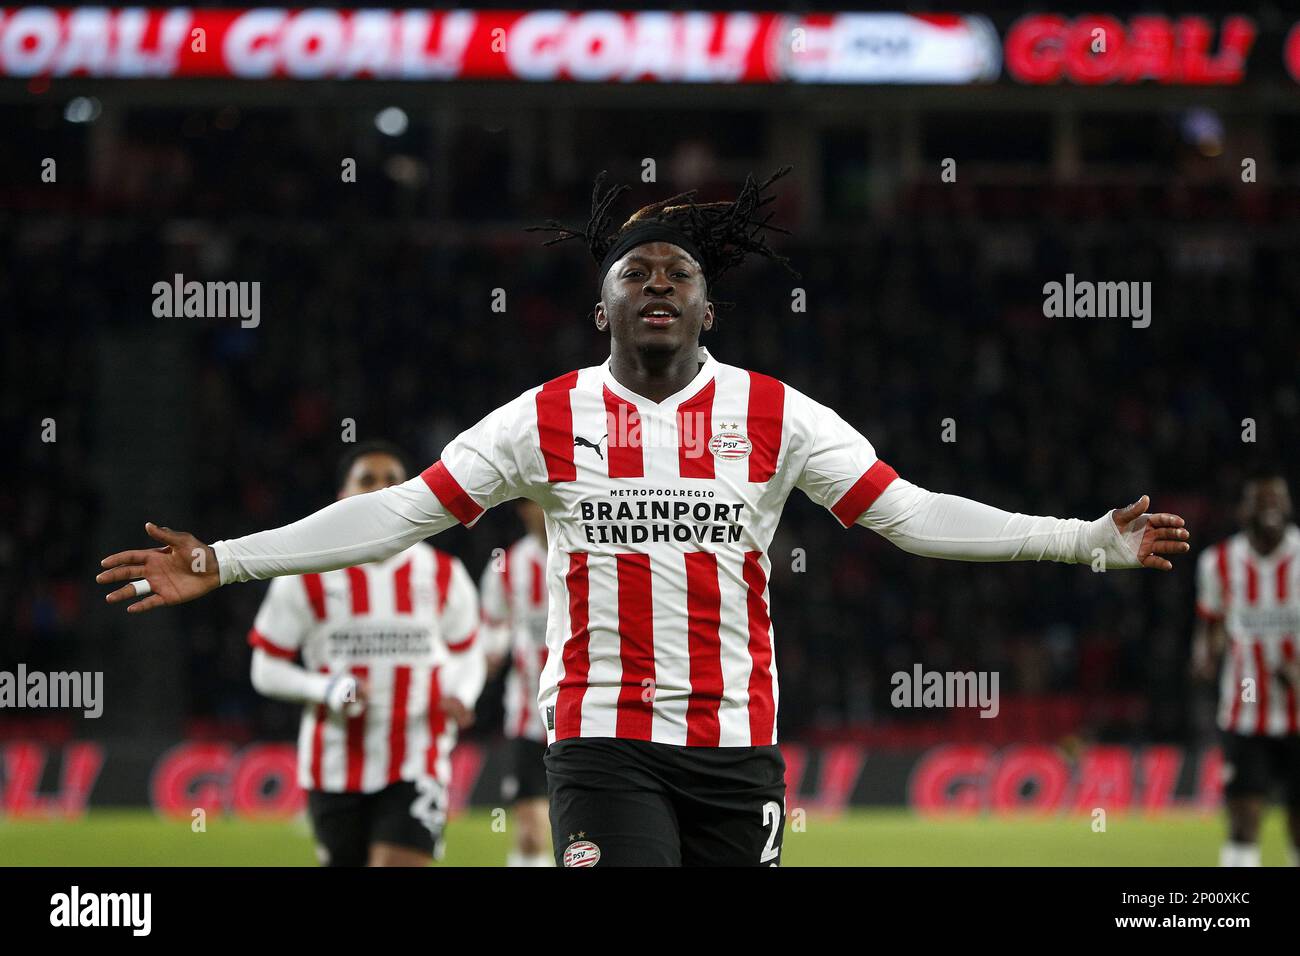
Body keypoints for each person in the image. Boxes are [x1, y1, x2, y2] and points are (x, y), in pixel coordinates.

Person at [98, 168, 1190, 866]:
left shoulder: (774, 412)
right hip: (602, 738)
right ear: (601, 304)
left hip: (737, 743)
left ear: (708, 306)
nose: (656, 282)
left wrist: (1081, 538)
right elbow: (394, 513)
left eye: (677, 271)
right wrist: (225, 558)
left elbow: (908, 514)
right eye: (635, 271)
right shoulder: (545, 416)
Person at [246, 441, 485, 866]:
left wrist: (461, 693)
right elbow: (265, 668)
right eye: (367, 480)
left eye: (393, 480)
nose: (381, 489)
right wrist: (327, 687)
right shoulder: (305, 574)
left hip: (418, 756)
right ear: (342, 498)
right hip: (334, 764)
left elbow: (469, 652)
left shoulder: (445, 574)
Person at [1193, 469, 1300, 867]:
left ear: (1288, 507)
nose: (1271, 509)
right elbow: (1211, 626)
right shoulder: (1217, 562)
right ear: (1244, 510)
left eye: (1278, 500)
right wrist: (1204, 656)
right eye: (1261, 501)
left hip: (1298, 716)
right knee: (1242, 823)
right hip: (1244, 713)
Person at [480, 500, 553, 867]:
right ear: (523, 510)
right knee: (530, 832)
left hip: (586, 716)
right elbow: (492, 625)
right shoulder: (507, 565)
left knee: (584, 837)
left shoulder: (590, 551)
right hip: (528, 716)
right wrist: (489, 654)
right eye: (533, 504)